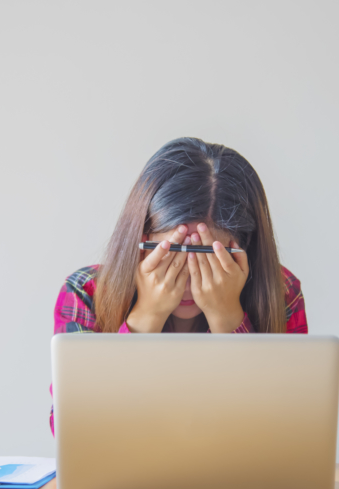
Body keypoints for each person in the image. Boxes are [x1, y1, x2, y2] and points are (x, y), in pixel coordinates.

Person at [49, 137, 307, 434]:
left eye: (209, 260)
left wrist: (229, 321)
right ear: (140, 238)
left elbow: (283, 431)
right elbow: (76, 431)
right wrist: (146, 317)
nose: (187, 280)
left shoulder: (282, 293)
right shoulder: (86, 293)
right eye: (169, 255)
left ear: (245, 252)